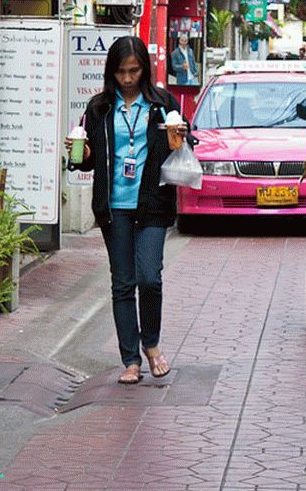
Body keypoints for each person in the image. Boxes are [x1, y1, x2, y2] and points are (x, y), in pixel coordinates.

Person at [66, 36, 186, 384]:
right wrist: (83, 155)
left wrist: (181, 135)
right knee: (123, 283)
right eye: (121, 72)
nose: (128, 79)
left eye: (134, 71)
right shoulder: (99, 107)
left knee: (150, 278)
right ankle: (130, 359)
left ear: (144, 69)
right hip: (113, 207)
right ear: (111, 72)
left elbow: (181, 148)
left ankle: (151, 343)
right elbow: (85, 160)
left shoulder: (162, 103)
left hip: (153, 204)